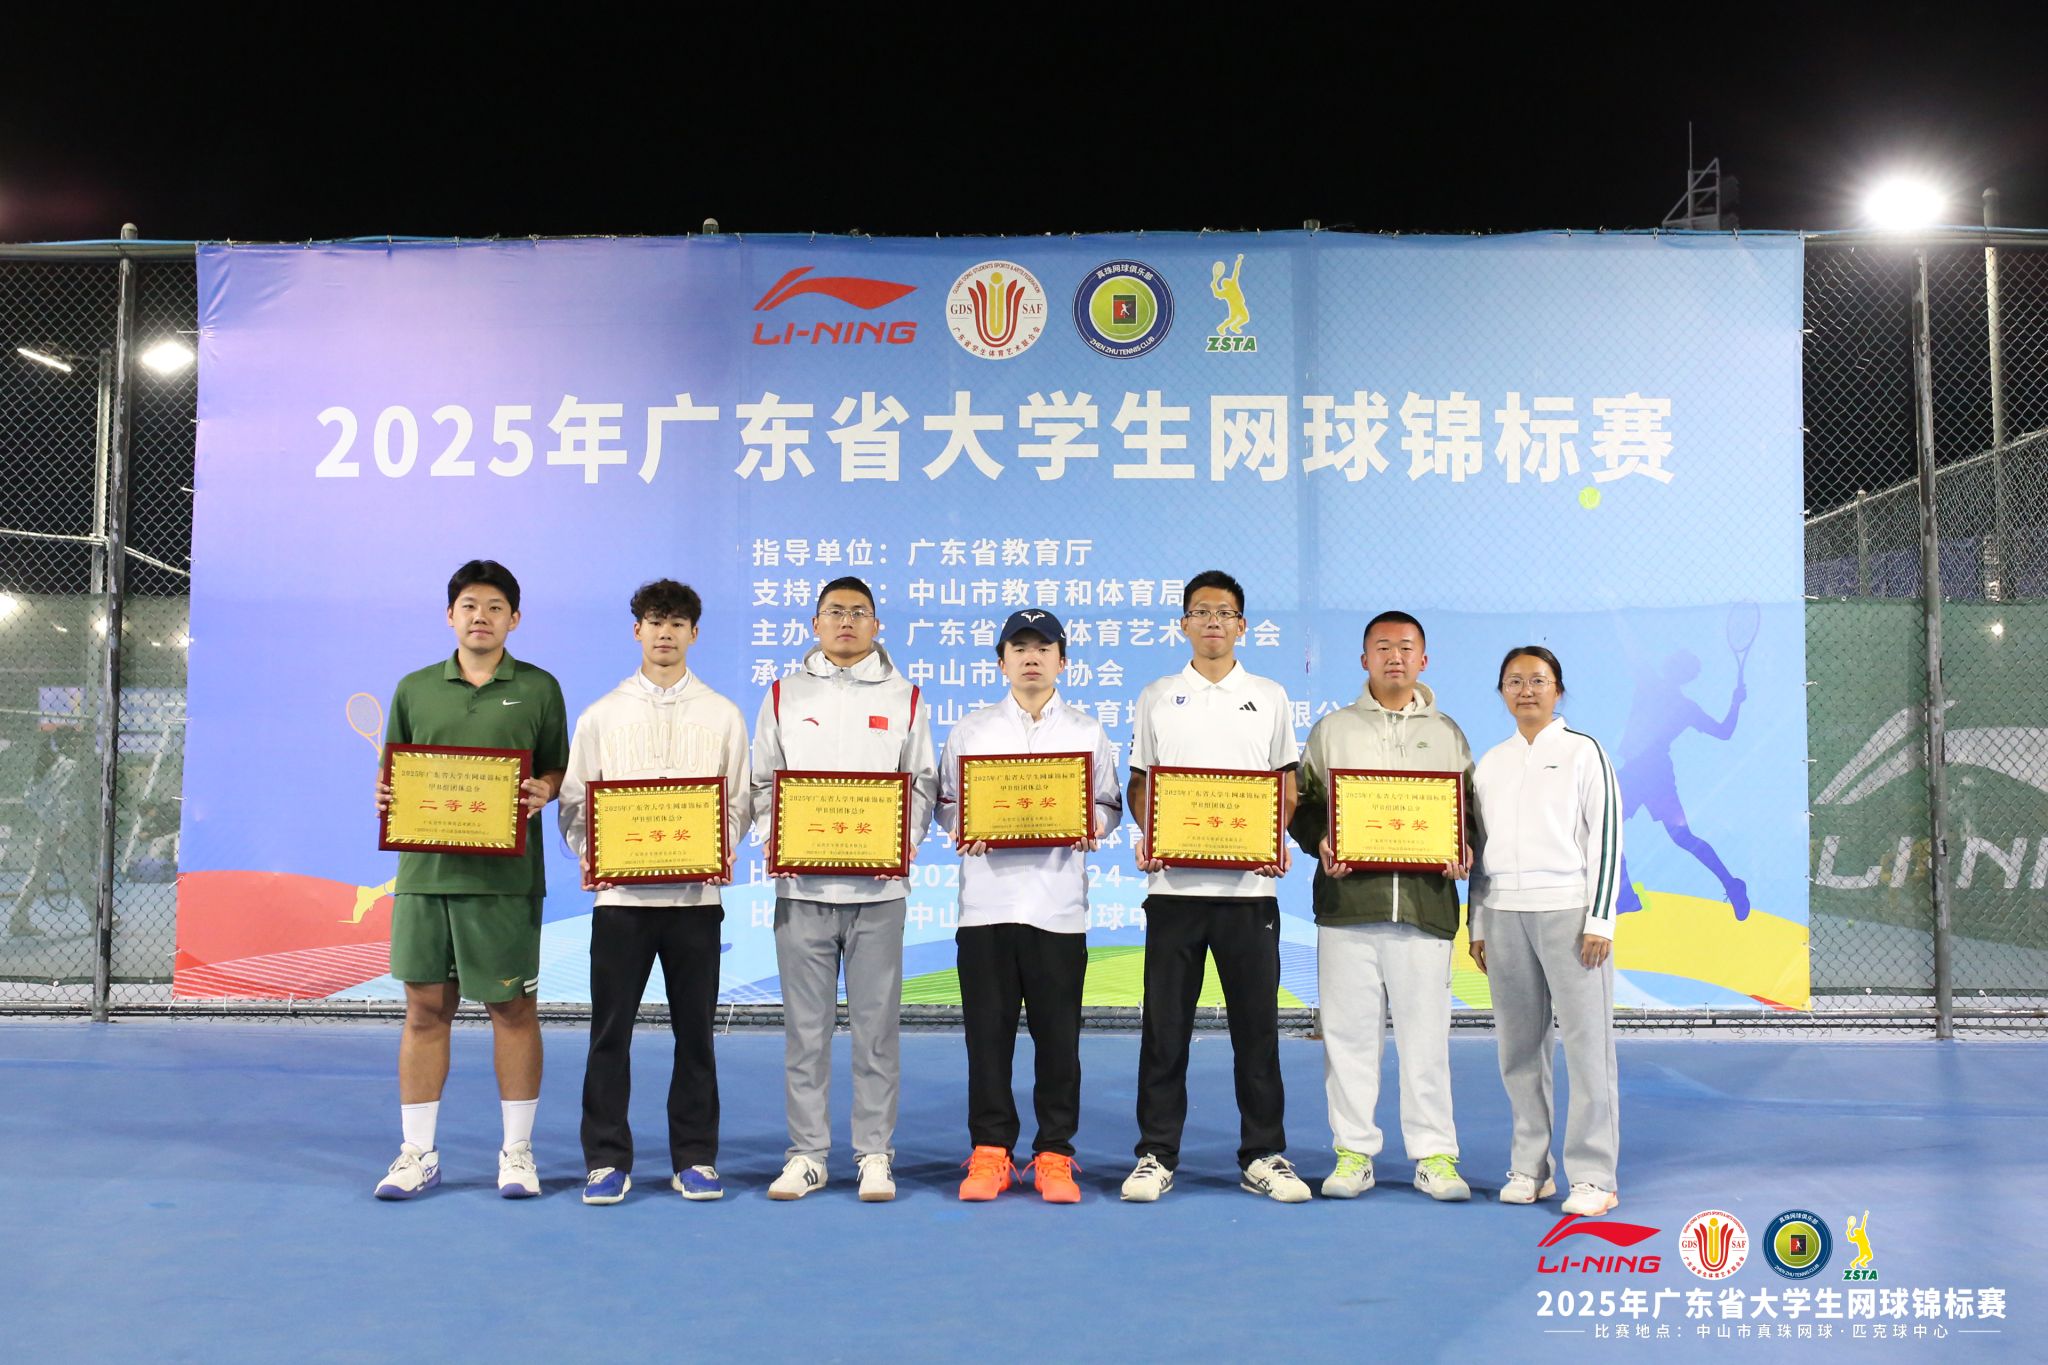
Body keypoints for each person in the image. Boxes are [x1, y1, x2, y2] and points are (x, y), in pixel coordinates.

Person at [372, 560, 569, 1201]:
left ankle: (517, 1152)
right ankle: (417, 1153)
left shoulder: (539, 688)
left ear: (515, 618)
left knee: (512, 1009)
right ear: (450, 615)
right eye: (468, 606)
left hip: (506, 881)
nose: (480, 616)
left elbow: (558, 769)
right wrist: (385, 796)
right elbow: (393, 776)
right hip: (425, 878)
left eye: (494, 607)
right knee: (425, 1010)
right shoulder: (414, 689)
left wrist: (546, 789)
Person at [557, 579, 750, 1206]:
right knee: (609, 1034)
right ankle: (605, 1160)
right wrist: (597, 854)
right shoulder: (601, 714)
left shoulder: (722, 714)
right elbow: (575, 803)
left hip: (696, 903)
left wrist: (715, 849)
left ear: (695, 634)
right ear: (636, 630)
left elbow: (739, 803)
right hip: (621, 905)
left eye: (677, 623)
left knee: (696, 1036)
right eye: (654, 621)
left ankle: (695, 1157)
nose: (665, 633)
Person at [1122, 569, 1307, 1204]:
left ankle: (1263, 1153)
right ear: (1183, 624)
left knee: (1257, 1031)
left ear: (1242, 626)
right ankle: (1155, 1154)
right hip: (1173, 889)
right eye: (1201, 611)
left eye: (1224, 613)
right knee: (1164, 1029)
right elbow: (1141, 783)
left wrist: (1271, 840)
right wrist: (1151, 833)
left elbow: (1286, 785)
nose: (1213, 622)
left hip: (1250, 894)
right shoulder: (1157, 695)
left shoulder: (1270, 696)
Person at [751, 575, 937, 1202]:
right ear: (815, 624)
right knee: (805, 1032)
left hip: (878, 895)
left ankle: (874, 1153)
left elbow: (922, 785)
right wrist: (781, 840)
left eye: (859, 612)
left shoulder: (905, 696)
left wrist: (897, 845)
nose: (847, 622)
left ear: (877, 625)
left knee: (876, 1031)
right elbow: (761, 782)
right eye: (835, 611)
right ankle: (807, 1155)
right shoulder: (783, 694)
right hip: (801, 890)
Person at [1288, 611, 1474, 1202]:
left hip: (1425, 910)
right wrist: (1320, 839)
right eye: (1383, 647)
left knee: (1427, 1040)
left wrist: (1463, 849)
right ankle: (1353, 1153)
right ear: (1364, 659)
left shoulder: (1447, 734)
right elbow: (1304, 805)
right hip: (1348, 906)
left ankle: (1435, 1155)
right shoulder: (1333, 730)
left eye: (1406, 647)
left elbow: (1467, 812)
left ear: (1424, 659)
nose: (1395, 657)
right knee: (1347, 1038)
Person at [936, 609, 1122, 1204]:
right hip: (985, 908)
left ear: (1062, 660)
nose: (1032, 657)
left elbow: (1109, 804)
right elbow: (946, 801)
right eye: (1020, 648)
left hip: (1057, 908)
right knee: (986, 1040)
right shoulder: (971, 730)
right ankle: (990, 1153)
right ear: (1002, 661)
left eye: (1044, 647)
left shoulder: (1087, 731)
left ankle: (1054, 1155)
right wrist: (963, 825)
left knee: (1058, 1042)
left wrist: (1091, 825)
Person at [1467, 645, 1622, 1217]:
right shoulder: (1491, 762)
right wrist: (1478, 920)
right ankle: (1531, 1168)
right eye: (1514, 681)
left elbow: (1606, 837)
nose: (1526, 690)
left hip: (1570, 915)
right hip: (1504, 916)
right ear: (1502, 692)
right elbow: (1480, 851)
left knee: (1586, 1048)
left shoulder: (1584, 752)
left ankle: (1594, 1175)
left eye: (1538, 680)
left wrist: (1599, 918)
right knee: (1519, 1050)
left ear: (1558, 689)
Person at [7, 727, 88, 937]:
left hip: (48, 826)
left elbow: (30, 799)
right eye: (75, 740)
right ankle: (101, 916)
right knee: (80, 872)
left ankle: (17, 919)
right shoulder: (70, 766)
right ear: (66, 743)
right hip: (69, 827)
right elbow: (68, 800)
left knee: (38, 874)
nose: (78, 745)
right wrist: (64, 826)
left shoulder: (44, 766)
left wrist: (46, 813)